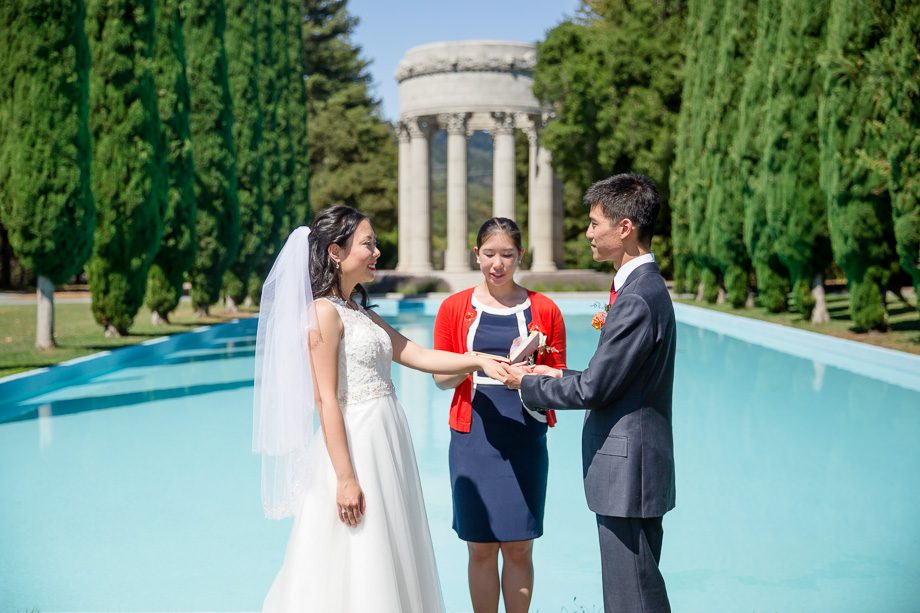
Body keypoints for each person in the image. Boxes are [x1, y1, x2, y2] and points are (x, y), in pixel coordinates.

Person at [253, 205, 511, 613]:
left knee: (392, 548)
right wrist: (345, 478)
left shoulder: (360, 312)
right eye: (368, 244)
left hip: (386, 443)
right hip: (356, 449)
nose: (377, 253)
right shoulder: (322, 313)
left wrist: (477, 360)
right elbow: (325, 399)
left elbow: (417, 354)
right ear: (335, 252)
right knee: (356, 553)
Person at [505, 174, 677, 613]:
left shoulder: (638, 298)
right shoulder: (642, 289)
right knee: (634, 590)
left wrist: (526, 382)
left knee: (633, 598)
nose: (587, 233)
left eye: (594, 223)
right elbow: (617, 377)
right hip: (634, 472)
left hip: (629, 474)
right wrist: (555, 370)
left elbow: (596, 388)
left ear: (624, 228)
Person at [432, 218, 567, 613]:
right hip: (473, 438)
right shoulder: (453, 308)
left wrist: (532, 376)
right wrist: (475, 364)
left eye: (507, 254)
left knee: (520, 546)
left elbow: (559, 381)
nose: (497, 263)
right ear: (476, 255)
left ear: (519, 256)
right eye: (489, 254)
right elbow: (441, 377)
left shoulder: (545, 309)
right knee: (480, 546)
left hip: (526, 437)